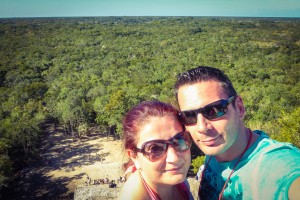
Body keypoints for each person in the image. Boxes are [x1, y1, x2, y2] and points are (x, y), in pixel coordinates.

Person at [174, 66, 300, 200]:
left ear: (239, 108)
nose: (201, 127)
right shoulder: (215, 147)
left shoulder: (278, 166)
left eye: (214, 110)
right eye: (189, 116)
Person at [118, 100, 194, 200]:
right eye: (155, 149)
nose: (174, 158)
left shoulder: (178, 181)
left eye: (179, 139)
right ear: (134, 157)